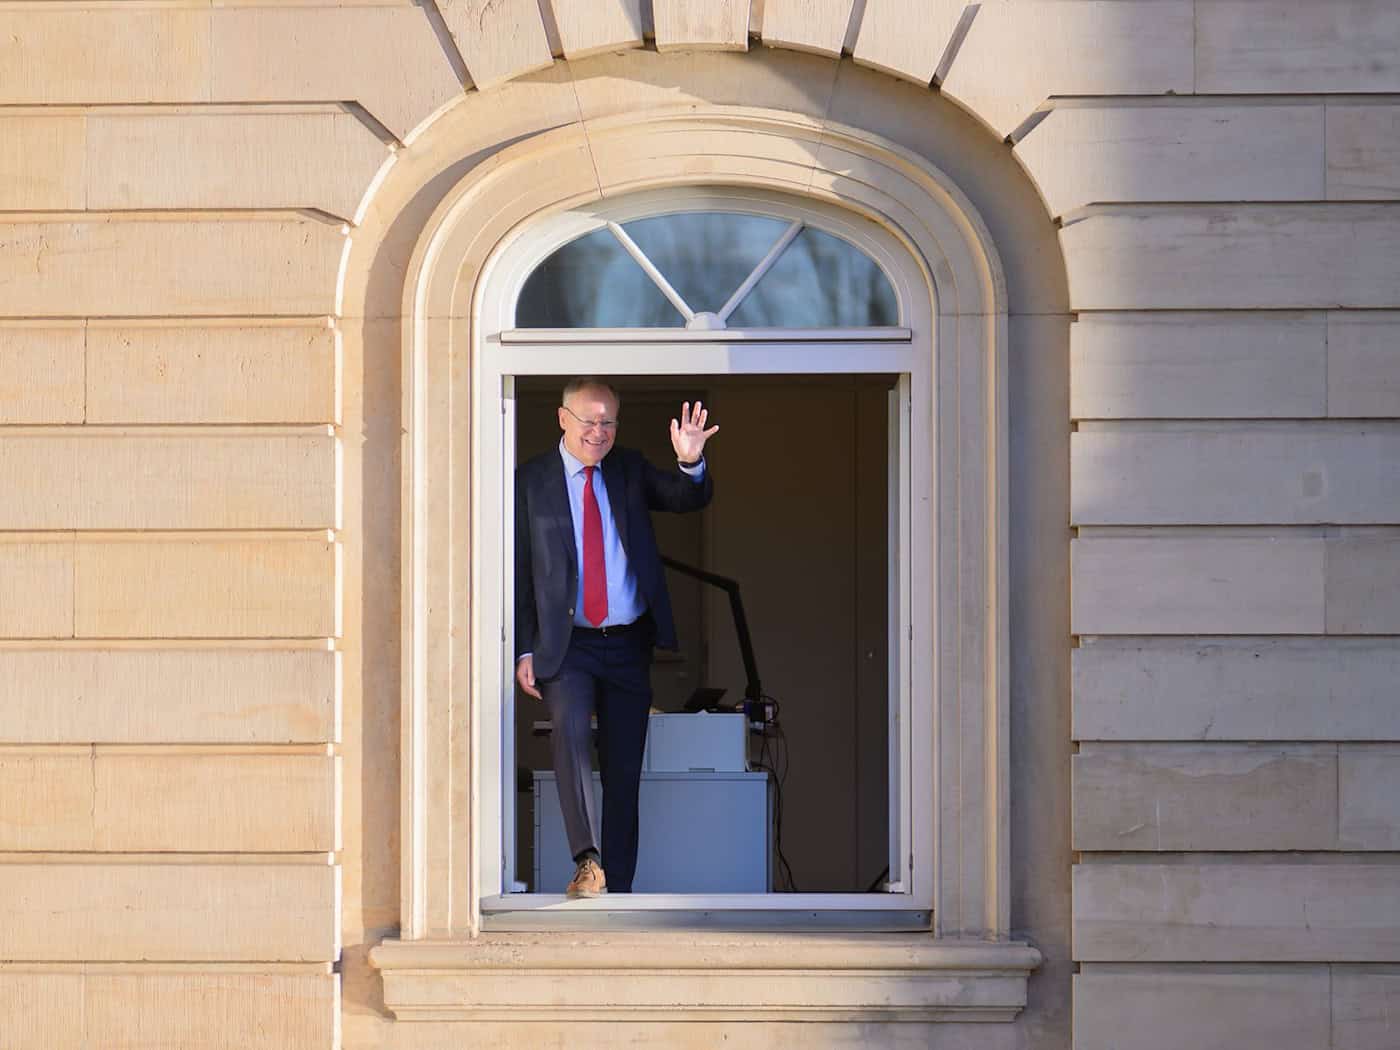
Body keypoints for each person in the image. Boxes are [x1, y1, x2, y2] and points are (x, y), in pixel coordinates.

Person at [515, 378, 718, 897]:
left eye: (608, 422)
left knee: (624, 770)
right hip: (569, 642)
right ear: (563, 419)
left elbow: (682, 497)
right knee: (571, 737)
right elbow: (519, 571)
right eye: (588, 421)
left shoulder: (627, 468)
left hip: (627, 642)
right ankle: (588, 862)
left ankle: (618, 887)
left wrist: (690, 462)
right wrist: (523, 647)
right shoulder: (532, 480)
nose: (598, 432)